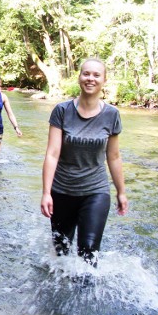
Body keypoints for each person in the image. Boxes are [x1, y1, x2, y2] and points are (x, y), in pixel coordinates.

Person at [40, 58, 128, 267]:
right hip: (62, 190)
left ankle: (85, 296)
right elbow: (52, 153)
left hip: (95, 190)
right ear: (79, 77)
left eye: (96, 75)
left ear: (104, 80)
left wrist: (121, 192)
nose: (90, 78)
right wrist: (46, 192)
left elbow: (113, 156)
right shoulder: (62, 111)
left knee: (88, 251)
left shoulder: (112, 115)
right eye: (86, 74)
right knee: (60, 251)